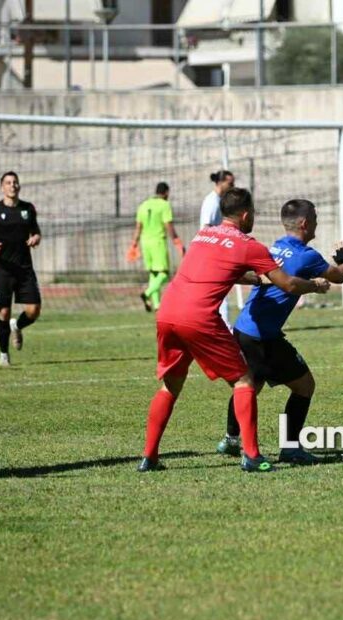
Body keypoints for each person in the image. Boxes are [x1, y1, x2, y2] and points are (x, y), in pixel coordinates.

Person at [139, 188, 330, 474]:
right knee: (244, 381)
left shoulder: (203, 235)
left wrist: (256, 279)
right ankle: (251, 456)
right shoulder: (249, 245)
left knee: (170, 386)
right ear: (245, 215)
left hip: (168, 312)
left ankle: (149, 457)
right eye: (253, 213)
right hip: (199, 317)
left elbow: (224, 269)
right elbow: (289, 284)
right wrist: (315, 285)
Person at [215, 199, 343, 464]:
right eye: (314, 217)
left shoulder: (276, 247)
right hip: (263, 337)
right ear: (305, 223)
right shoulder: (308, 256)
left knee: (249, 386)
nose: (316, 222)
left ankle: (230, 439)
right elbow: (337, 276)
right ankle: (290, 448)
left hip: (244, 328)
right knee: (304, 386)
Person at [0, 171, 42, 367]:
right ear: (2, 187)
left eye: (15, 182)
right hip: (2, 268)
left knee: (34, 310)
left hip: (24, 268)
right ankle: (4, 354)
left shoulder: (28, 209)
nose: (12, 186)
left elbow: (36, 231)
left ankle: (16, 325)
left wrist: (36, 238)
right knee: (3, 312)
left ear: (19, 186)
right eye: (8, 183)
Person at [128, 182, 183, 312]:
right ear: (166, 192)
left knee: (153, 273)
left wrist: (134, 244)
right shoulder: (164, 205)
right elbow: (168, 226)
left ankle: (157, 305)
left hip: (145, 243)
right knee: (164, 274)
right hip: (158, 242)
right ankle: (146, 293)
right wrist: (177, 242)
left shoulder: (143, 205)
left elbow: (138, 227)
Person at [201, 169, 236, 327]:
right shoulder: (212, 202)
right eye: (230, 183)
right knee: (220, 289)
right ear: (220, 183)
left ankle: (218, 325)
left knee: (217, 290)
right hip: (211, 253)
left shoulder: (219, 201)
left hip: (215, 252)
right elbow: (206, 228)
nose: (233, 186)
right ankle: (225, 326)